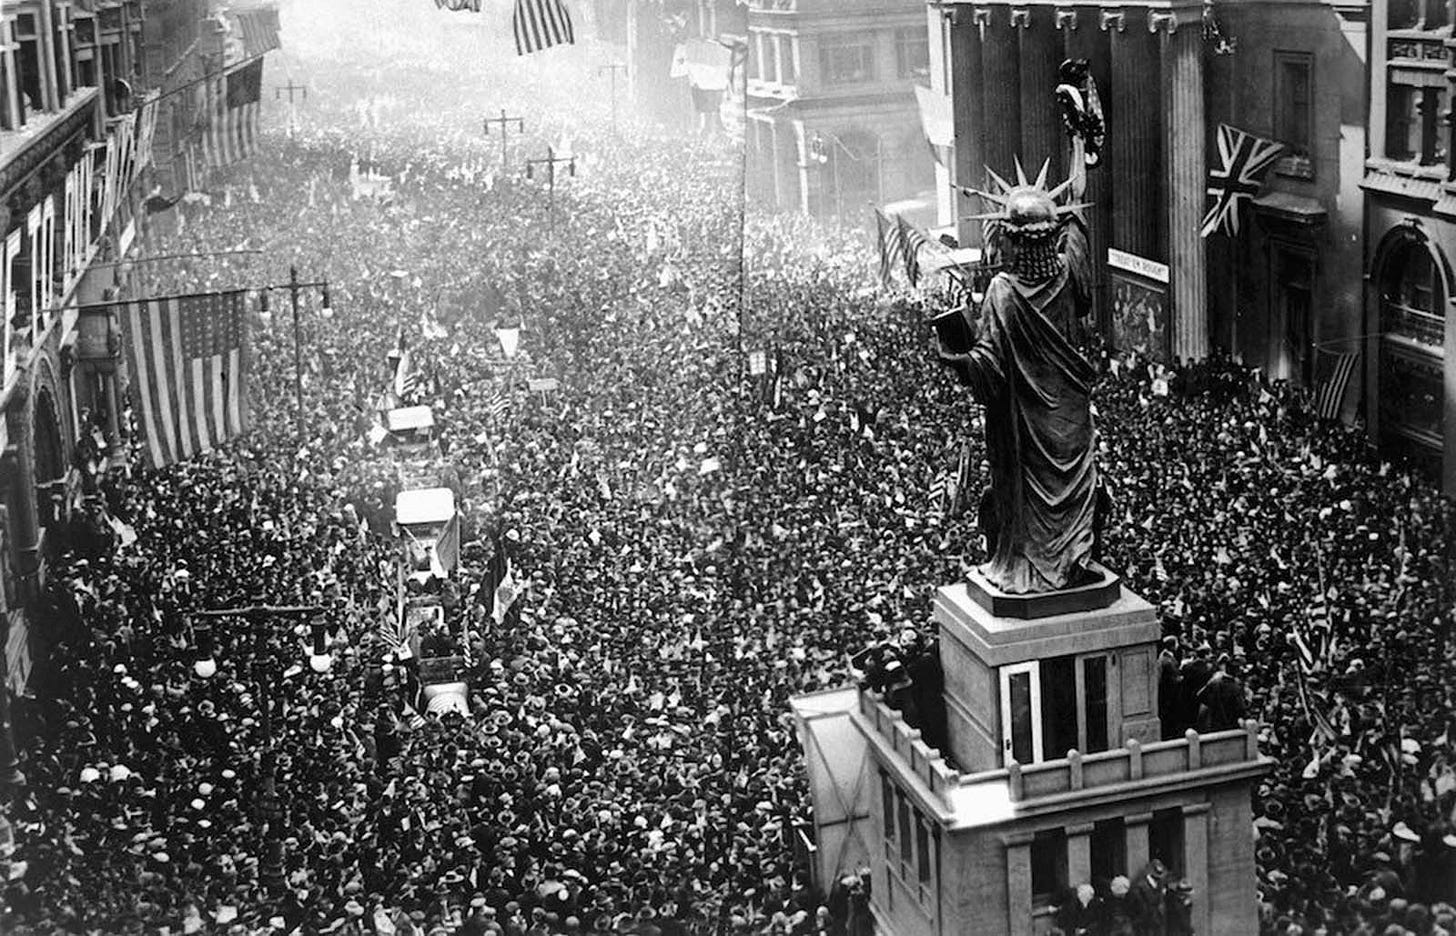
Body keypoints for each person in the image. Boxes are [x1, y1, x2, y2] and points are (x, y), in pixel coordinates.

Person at [937, 163, 1098, 594]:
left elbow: (987, 366)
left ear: (1009, 237)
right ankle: (1073, 558)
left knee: (1025, 499)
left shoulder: (1002, 291)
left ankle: (1032, 564)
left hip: (1024, 427)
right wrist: (1080, 147)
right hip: (1071, 417)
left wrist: (955, 359)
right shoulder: (1071, 274)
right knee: (1075, 491)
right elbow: (1078, 220)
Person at [1128, 860, 1168, 936]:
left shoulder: (1160, 886)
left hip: (1157, 925)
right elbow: (1135, 909)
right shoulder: (1139, 888)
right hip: (1143, 926)